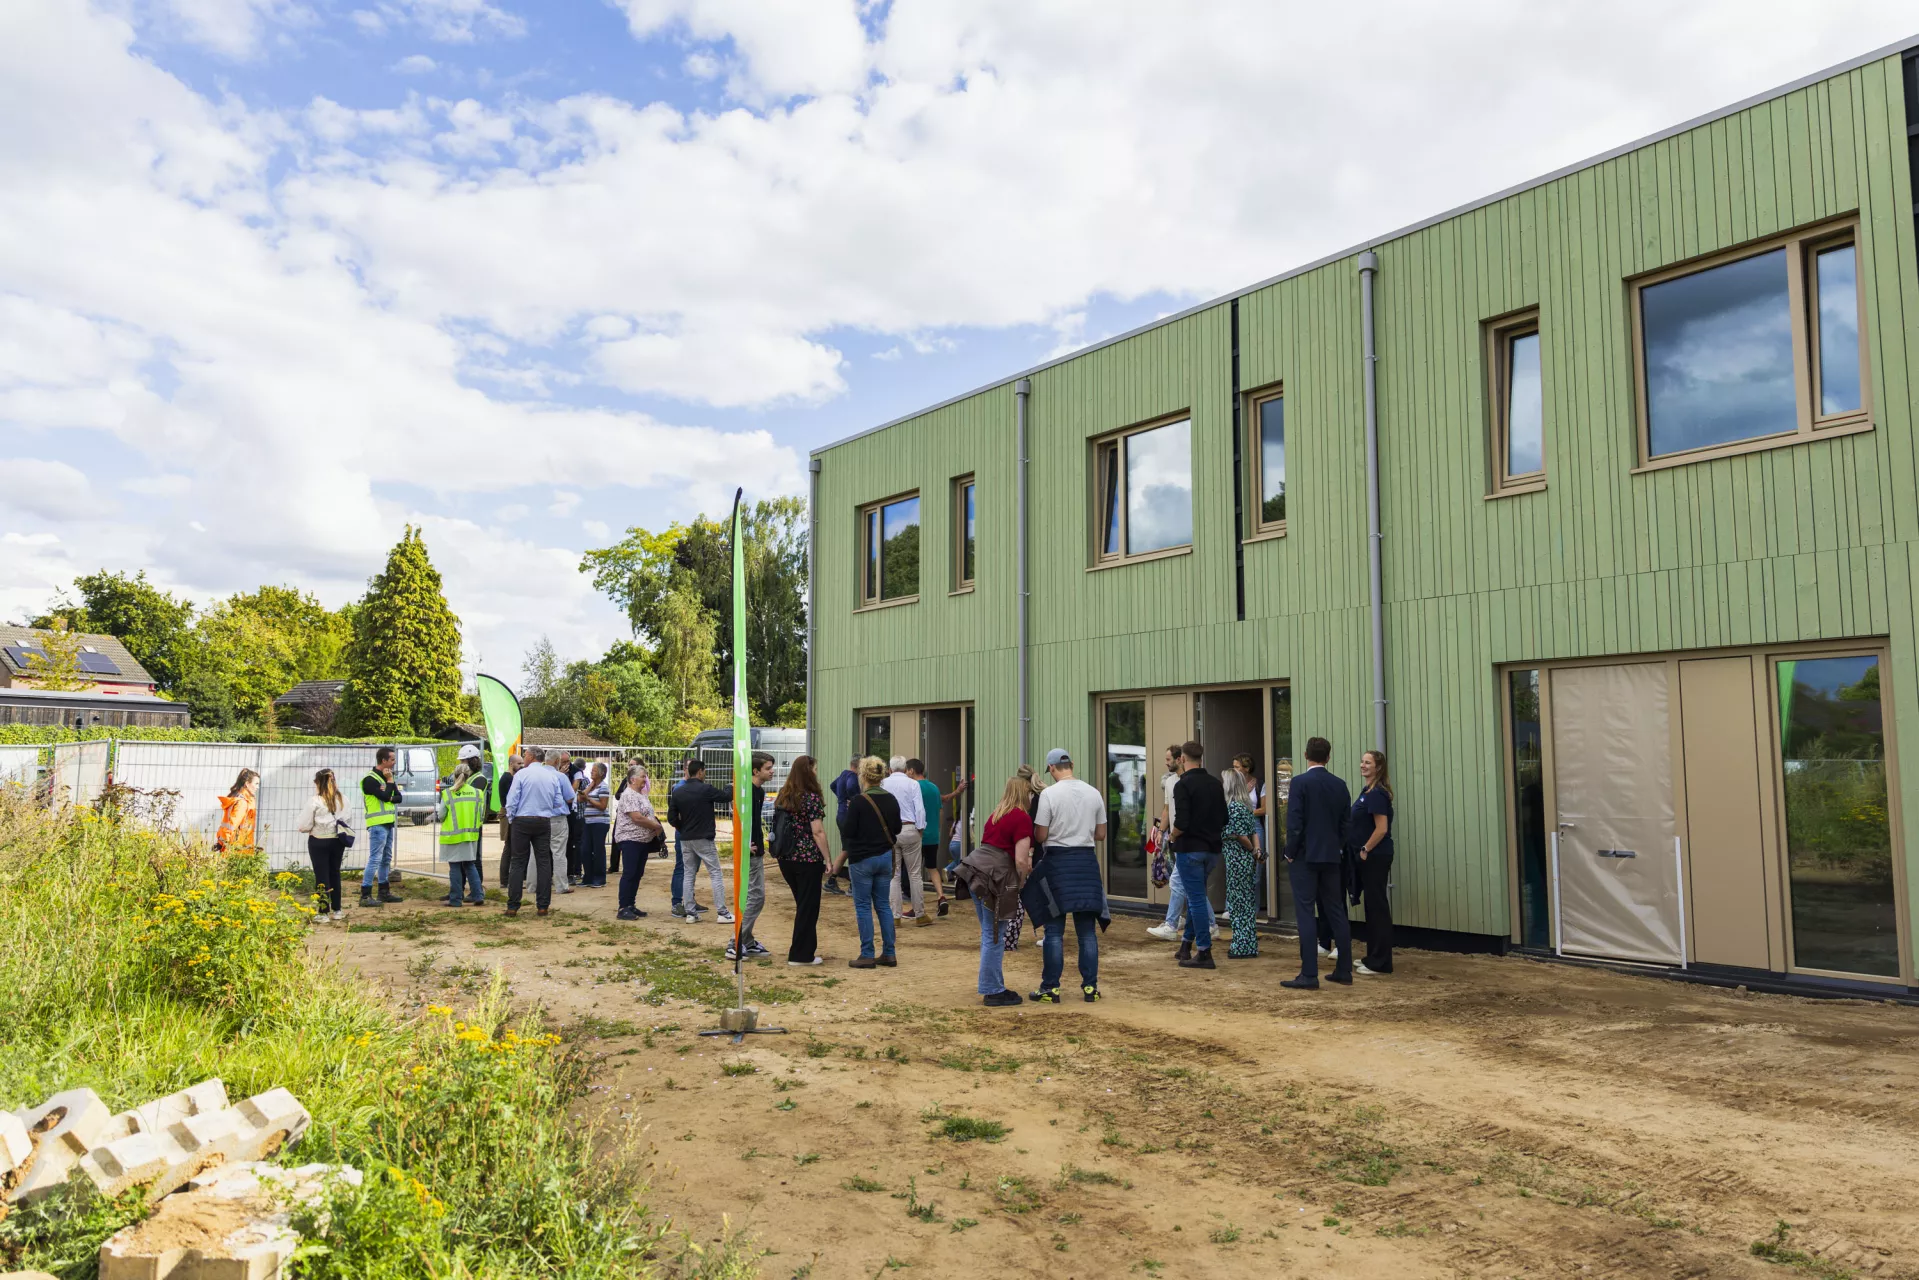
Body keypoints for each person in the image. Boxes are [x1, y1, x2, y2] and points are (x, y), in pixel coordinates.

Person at [1026, 748, 1110, 1002]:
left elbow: (1041, 835)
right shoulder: (1094, 792)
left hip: (1057, 864)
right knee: (1087, 932)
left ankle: (1051, 988)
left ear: (1051, 768)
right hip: (1086, 863)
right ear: (1071, 764)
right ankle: (1090, 988)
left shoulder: (1049, 794)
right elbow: (1101, 834)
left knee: (1054, 931)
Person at [953, 773, 1035, 1007]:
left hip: (974, 871)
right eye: (1030, 793)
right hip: (996, 878)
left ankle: (993, 985)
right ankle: (992, 989)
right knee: (995, 935)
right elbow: (1021, 860)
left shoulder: (996, 814)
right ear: (1024, 793)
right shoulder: (1022, 818)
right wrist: (1020, 883)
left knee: (990, 933)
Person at [1283, 736, 1354, 989]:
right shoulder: (1340, 785)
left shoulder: (1300, 782)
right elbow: (1346, 823)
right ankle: (1344, 969)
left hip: (1305, 856)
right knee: (1336, 911)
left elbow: (1295, 822)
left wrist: (1290, 851)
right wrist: (1337, 847)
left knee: (1305, 912)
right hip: (1331, 856)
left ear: (1306, 755)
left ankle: (1309, 973)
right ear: (1328, 757)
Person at [831, 756, 900, 969]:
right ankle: (889, 952)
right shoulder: (891, 799)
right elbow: (897, 828)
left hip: (862, 858)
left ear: (863, 776)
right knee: (883, 905)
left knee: (863, 906)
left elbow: (848, 831)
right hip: (884, 857)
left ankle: (867, 953)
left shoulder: (859, 801)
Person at [1170, 740, 1226, 969]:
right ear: (1201, 758)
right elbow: (1224, 818)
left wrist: (1172, 836)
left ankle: (1204, 951)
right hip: (1212, 849)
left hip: (1190, 848)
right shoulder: (1215, 783)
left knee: (1195, 900)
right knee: (1198, 897)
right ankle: (1186, 944)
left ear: (1182, 759)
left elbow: (1182, 822)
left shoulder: (1182, 785)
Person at [772, 754, 830, 965]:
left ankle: (805, 950)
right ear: (808, 772)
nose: (816, 773)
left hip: (786, 857)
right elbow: (818, 832)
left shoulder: (784, 795)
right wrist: (828, 859)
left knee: (803, 904)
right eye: (814, 769)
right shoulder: (811, 798)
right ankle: (801, 954)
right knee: (808, 907)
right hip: (807, 859)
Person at [503, 745, 572, 917]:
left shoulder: (521, 774)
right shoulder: (552, 776)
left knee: (518, 862)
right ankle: (543, 905)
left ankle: (513, 906)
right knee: (543, 861)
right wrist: (544, 808)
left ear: (531, 757)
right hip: (543, 820)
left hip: (522, 820)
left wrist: (512, 819)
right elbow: (558, 801)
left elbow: (512, 800)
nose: (524, 758)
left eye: (525, 755)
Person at [726, 752, 776, 962]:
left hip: (756, 849)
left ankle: (747, 940)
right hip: (749, 851)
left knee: (756, 896)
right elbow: (738, 817)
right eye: (768, 768)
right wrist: (744, 842)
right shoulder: (745, 791)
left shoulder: (759, 792)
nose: (772, 771)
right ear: (755, 771)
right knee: (756, 897)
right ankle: (735, 942)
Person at [667, 759, 730, 922]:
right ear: (700, 771)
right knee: (715, 873)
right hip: (703, 838)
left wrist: (682, 828)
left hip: (686, 838)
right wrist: (730, 785)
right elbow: (726, 797)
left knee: (688, 874)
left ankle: (690, 913)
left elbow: (671, 817)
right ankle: (722, 912)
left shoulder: (678, 791)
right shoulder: (706, 789)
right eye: (704, 771)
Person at [1350, 749, 1396, 976]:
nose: (1363, 765)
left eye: (1368, 762)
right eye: (1362, 761)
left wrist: (1365, 849)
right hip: (1369, 856)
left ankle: (1381, 962)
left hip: (1375, 856)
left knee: (1377, 907)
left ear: (1378, 767)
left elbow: (1381, 828)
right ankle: (1372, 956)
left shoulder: (1377, 794)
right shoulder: (1367, 790)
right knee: (1371, 905)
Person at [296, 768, 349, 921]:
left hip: (318, 840)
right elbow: (347, 819)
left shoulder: (315, 800)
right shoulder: (343, 799)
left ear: (318, 783)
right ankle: (337, 910)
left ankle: (323, 912)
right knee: (335, 873)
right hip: (337, 840)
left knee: (321, 876)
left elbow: (304, 824)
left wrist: (308, 828)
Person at [1146, 745, 1187, 941]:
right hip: (1173, 837)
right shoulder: (1170, 781)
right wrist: (1161, 832)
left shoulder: (1187, 781)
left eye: (1169, 759)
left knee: (1180, 880)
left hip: (1184, 837)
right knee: (1182, 881)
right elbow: (1166, 809)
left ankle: (1172, 923)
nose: (1166, 763)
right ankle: (1180, 920)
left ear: (1179, 759)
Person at [1221, 767, 1263, 958]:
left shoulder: (1232, 808)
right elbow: (1253, 832)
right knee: (1246, 902)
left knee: (1238, 904)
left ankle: (1241, 946)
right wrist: (1257, 851)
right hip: (1245, 860)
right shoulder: (1245, 806)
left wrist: (1252, 849)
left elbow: (1240, 835)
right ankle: (1249, 944)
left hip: (1236, 859)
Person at [613, 764, 663, 921]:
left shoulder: (641, 795)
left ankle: (630, 904)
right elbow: (637, 817)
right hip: (630, 839)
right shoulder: (629, 795)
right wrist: (656, 826)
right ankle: (623, 907)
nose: (645, 779)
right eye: (643, 776)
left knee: (637, 873)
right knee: (630, 873)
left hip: (642, 840)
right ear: (633, 779)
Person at [882, 755, 927, 923]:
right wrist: (920, 828)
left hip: (889, 832)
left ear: (890, 769)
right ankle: (920, 914)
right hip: (910, 828)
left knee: (894, 875)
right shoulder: (913, 784)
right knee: (915, 874)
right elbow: (919, 809)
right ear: (905, 769)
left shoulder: (883, 783)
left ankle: (895, 916)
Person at [1002, 764, 1041, 951]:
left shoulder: (1027, 805)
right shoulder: (1040, 796)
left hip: (1032, 851)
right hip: (1036, 850)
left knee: (1021, 899)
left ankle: (1008, 940)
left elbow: (1030, 831)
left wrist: (1029, 857)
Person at [436, 763, 486, 907]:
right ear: (469, 775)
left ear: (454, 775)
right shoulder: (478, 793)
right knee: (470, 865)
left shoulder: (448, 793)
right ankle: (478, 895)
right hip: (471, 835)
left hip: (452, 836)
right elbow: (481, 815)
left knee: (455, 867)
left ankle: (456, 899)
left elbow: (441, 815)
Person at [358, 747, 403, 908]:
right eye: (392, 759)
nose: (394, 762)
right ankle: (365, 894)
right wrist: (389, 783)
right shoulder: (370, 779)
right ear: (383, 760)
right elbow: (385, 796)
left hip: (388, 823)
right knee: (375, 859)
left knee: (386, 859)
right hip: (377, 825)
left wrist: (389, 791)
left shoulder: (387, 777)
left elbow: (398, 798)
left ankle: (384, 892)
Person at [827, 757, 860, 896]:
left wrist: (841, 799)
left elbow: (832, 785)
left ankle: (831, 881)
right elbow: (851, 787)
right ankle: (853, 885)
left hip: (841, 815)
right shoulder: (852, 776)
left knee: (847, 848)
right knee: (852, 849)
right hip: (848, 816)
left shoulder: (843, 774)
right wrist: (855, 800)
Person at [579, 761, 612, 888]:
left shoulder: (603, 787)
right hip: (588, 822)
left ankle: (599, 878)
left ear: (601, 773)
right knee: (585, 850)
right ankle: (588, 877)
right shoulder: (591, 785)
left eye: (594, 770)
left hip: (600, 823)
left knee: (598, 850)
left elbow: (603, 806)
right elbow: (580, 798)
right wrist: (591, 786)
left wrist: (588, 799)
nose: (591, 772)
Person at [214, 769, 258, 854]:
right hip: (238, 851)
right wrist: (223, 843)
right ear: (247, 784)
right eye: (256, 783)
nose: (257, 787)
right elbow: (231, 827)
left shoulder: (239, 798)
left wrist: (221, 843)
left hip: (236, 848)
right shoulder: (242, 803)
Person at [557, 753, 581, 893]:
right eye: (563, 762)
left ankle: (570, 873)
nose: (565, 765)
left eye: (567, 761)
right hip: (556, 812)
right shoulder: (553, 771)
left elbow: (572, 792)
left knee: (570, 842)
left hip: (570, 811)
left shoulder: (576, 771)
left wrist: (562, 777)